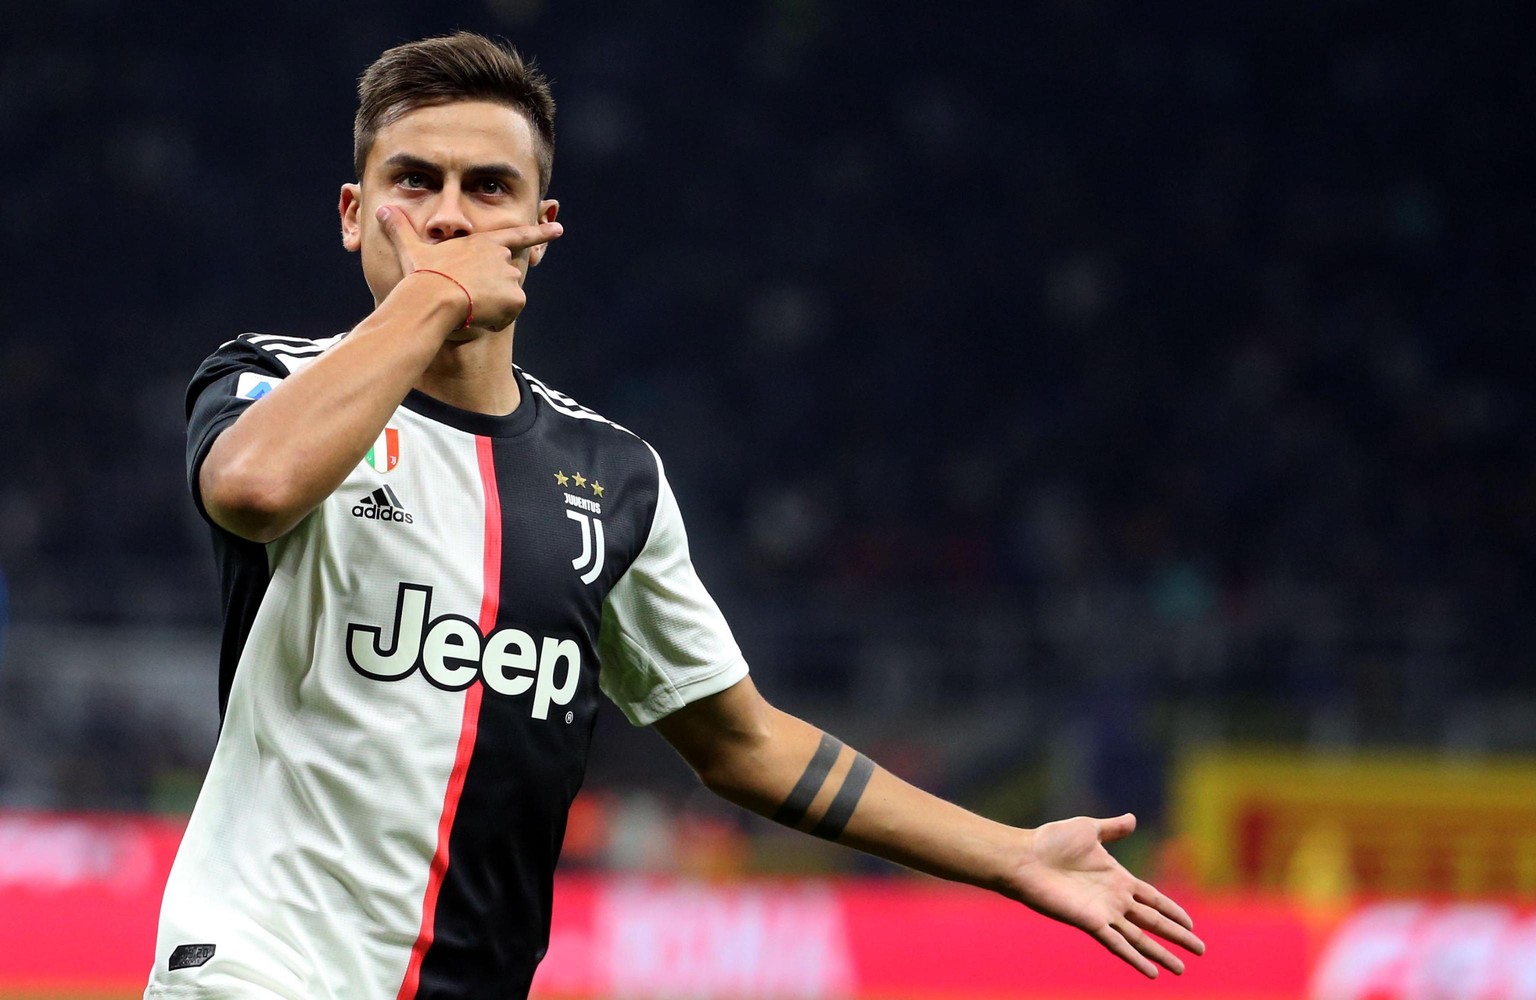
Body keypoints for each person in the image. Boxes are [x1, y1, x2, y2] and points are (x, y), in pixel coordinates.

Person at [146, 31, 1204, 1000]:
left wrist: (1009, 853)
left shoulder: (612, 475)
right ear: (349, 213)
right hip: (255, 967)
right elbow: (254, 488)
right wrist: (435, 294)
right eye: (412, 183)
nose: (451, 214)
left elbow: (745, 743)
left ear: (540, 232)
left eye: (489, 188)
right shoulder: (266, 379)